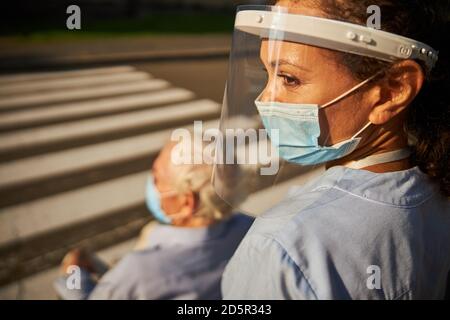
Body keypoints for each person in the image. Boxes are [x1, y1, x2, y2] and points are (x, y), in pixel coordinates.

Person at [218, 0, 450, 299]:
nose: (264, 98)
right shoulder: (435, 189)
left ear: (393, 91)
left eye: (289, 78)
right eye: (268, 74)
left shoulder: (283, 247)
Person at [54, 140, 253, 299]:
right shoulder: (251, 230)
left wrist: (72, 272)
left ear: (186, 202)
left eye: (157, 177)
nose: (152, 184)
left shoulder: (140, 272)